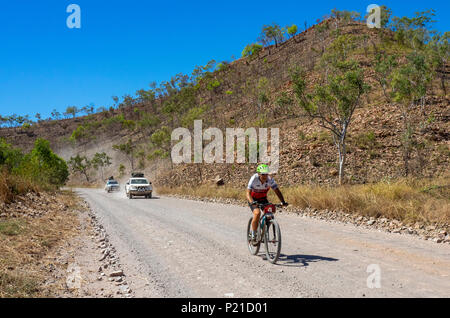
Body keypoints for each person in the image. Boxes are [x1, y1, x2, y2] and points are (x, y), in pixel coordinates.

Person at [246, 164, 288, 243]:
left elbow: (277, 191)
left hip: (263, 199)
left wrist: (283, 201)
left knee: (269, 213)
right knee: (257, 213)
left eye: (266, 174)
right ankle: (254, 234)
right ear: (258, 174)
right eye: (263, 174)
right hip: (253, 199)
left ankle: (264, 231)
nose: (265, 176)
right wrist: (252, 202)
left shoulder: (270, 180)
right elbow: (248, 193)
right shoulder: (254, 179)